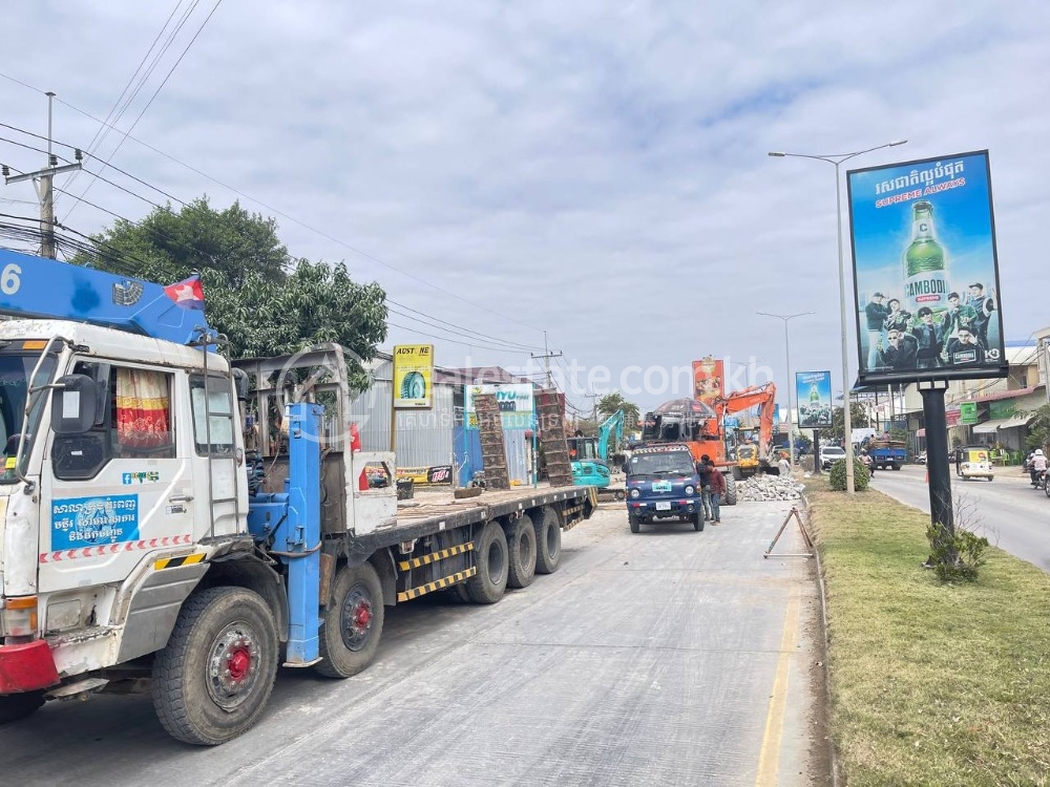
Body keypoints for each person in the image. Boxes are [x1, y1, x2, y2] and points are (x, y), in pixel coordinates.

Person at [965, 282, 997, 350]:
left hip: (980, 332)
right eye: (972, 289)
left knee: (982, 350)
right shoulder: (969, 301)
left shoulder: (986, 301)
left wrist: (994, 294)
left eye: (976, 289)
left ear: (981, 290)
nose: (973, 291)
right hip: (968, 332)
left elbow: (995, 307)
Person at [864, 292, 890, 370]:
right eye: (878, 297)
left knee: (887, 346)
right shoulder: (869, 307)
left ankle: (888, 365)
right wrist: (885, 315)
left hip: (882, 329)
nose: (880, 299)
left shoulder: (881, 306)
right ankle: (871, 368)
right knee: (873, 349)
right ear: (873, 297)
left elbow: (888, 311)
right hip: (874, 330)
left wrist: (887, 303)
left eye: (881, 297)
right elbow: (876, 314)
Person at [706, 457, 724, 524]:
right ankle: (716, 519)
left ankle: (717, 520)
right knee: (714, 505)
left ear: (711, 466)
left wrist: (722, 490)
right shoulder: (710, 474)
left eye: (708, 466)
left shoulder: (718, 473)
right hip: (712, 491)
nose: (707, 468)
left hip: (717, 491)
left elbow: (722, 482)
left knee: (715, 505)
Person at [696, 454, 713, 521]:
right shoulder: (709, 468)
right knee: (710, 501)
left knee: (705, 501)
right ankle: (713, 516)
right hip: (710, 486)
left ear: (703, 460)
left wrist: (697, 464)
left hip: (704, 486)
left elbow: (698, 472)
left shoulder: (702, 467)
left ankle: (707, 516)